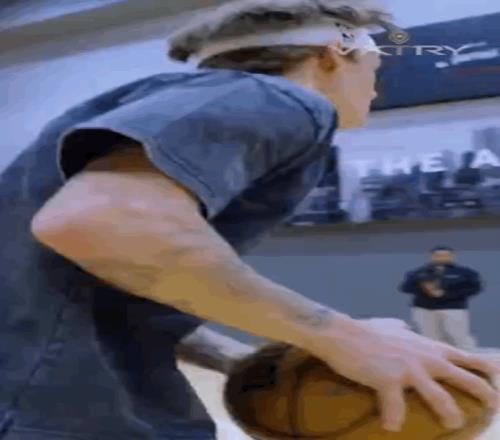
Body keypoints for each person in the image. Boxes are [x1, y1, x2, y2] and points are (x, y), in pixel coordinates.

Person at [0, 1, 498, 439]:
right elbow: (98, 221)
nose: (375, 87)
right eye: (373, 68)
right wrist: (345, 336)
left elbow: (87, 281)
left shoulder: (157, 104)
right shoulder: (284, 101)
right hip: (62, 411)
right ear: (332, 55)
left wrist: (233, 357)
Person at [400, 246, 482, 351]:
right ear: (431, 256)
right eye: (438, 255)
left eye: (445, 255)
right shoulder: (418, 272)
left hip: (453, 308)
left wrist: (447, 294)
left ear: (452, 256)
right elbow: (406, 287)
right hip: (424, 309)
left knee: (458, 336)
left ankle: (468, 356)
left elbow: (475, 288)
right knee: (429, 337)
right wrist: (426, 291)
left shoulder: (465, 273)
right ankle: (435, 358)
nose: (441, 258)